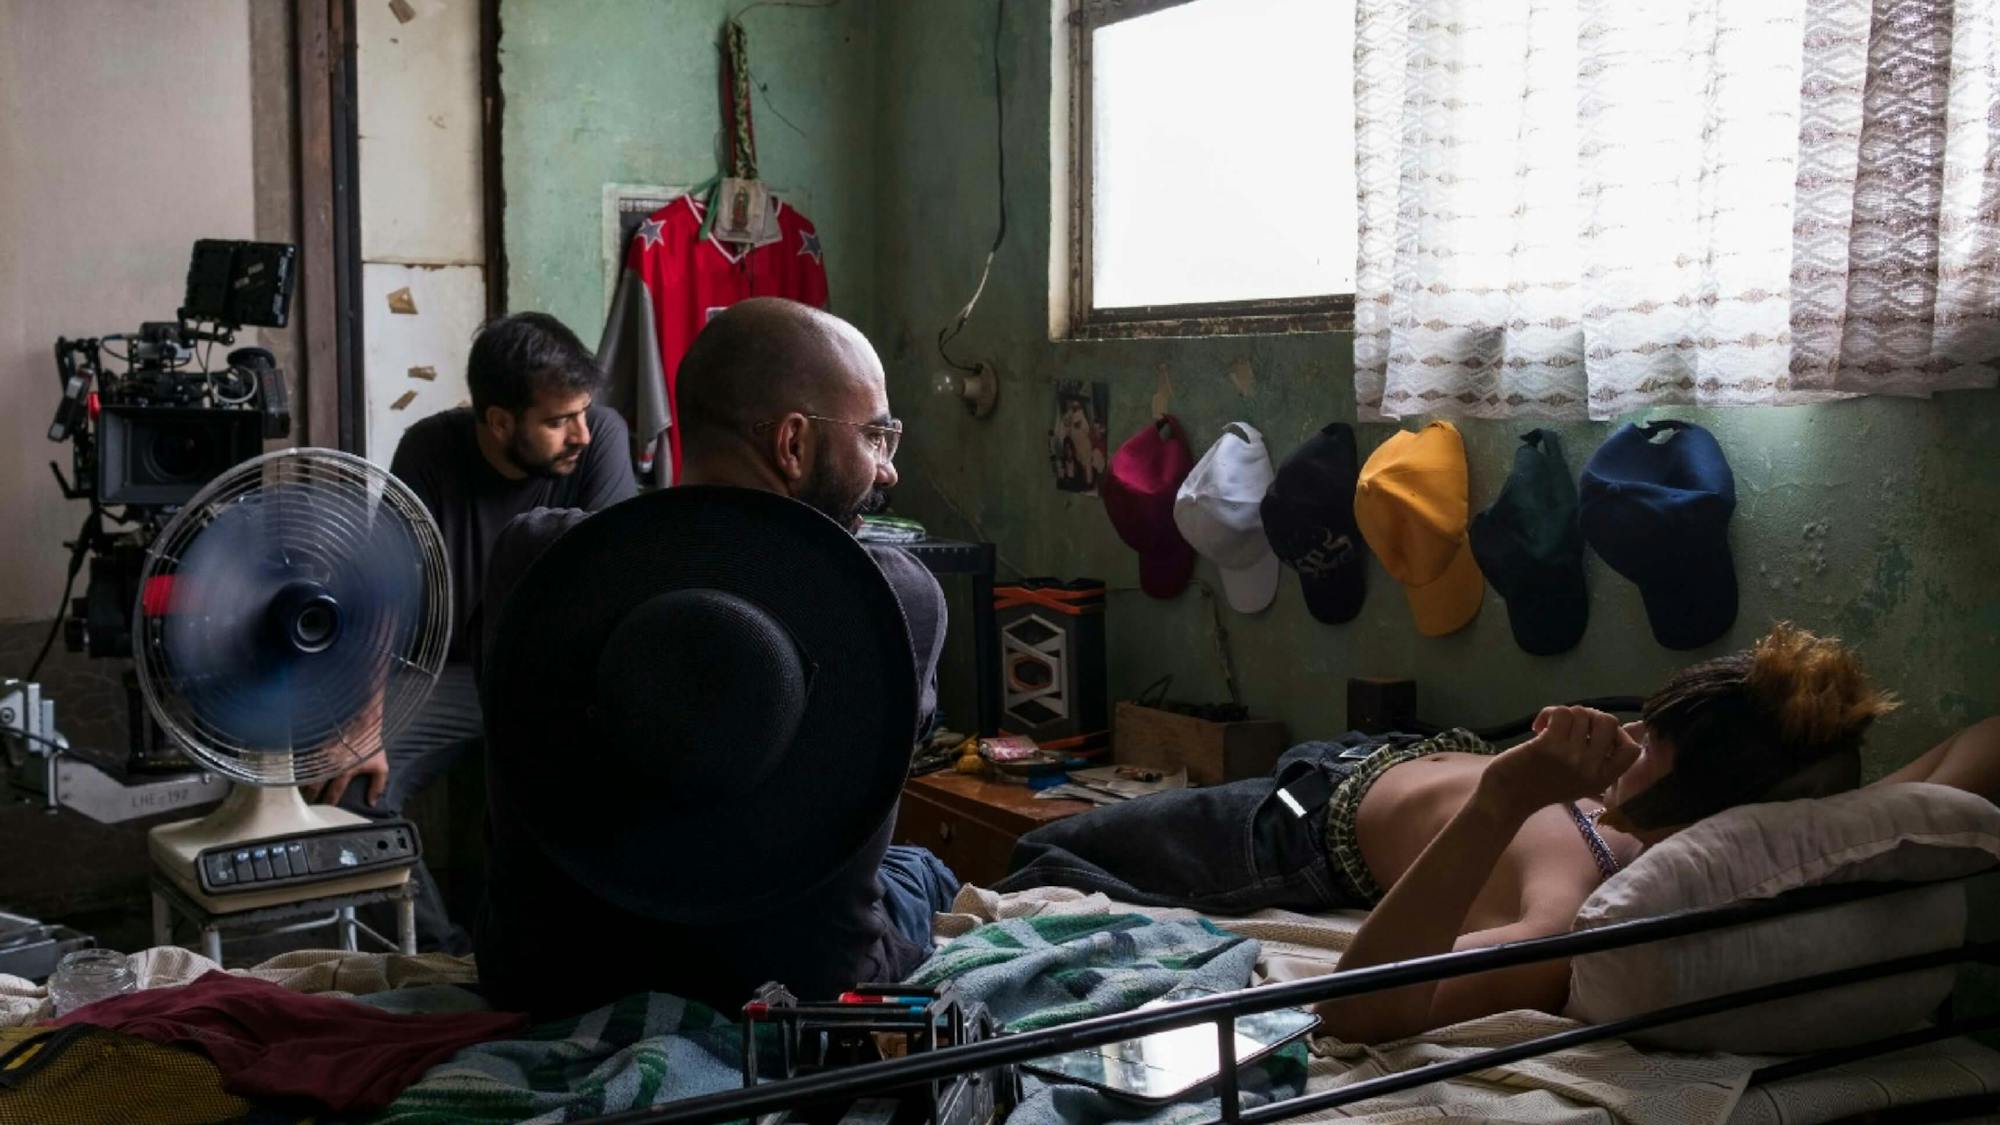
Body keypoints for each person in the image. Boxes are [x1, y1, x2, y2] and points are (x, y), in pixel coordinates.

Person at [998, 624, 2000, 1043]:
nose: (1630, 741)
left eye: (1652, 747)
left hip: (1287, 832)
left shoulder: (1578, 901)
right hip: (1382, 749)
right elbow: (1966, 757)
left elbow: (1358, 1011)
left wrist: (1508, 792)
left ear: (1705, 801)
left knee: (1039, 859)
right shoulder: (1794, 816)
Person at [473, 297, 959, 1019]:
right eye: (877, 436)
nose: (885, 471)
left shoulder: (535, 556)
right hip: (799, 982)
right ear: (792, 444)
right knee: (923, 868)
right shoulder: (895, 596)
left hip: (546, 976)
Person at [307, 312, 637, 951]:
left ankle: (588, 954)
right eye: (557, 421)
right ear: (498, 422)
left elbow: (615, 582)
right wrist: (366, 722)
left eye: (584, 413)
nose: (581, 434)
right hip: (451, 675)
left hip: (565, 677)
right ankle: (445, 962)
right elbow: (384, 590)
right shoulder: (429, 450)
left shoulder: (603, 438)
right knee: (342, 790)